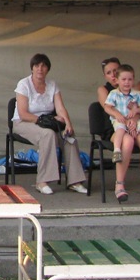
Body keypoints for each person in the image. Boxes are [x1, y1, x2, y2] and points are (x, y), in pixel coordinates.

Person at [12, 53, 88, 196]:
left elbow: (60, 108)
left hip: (47, 122)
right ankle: (42, 181)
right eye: (37, 66)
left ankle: (74, 181)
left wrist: (68, 124)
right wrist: (43, 120)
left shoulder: (52, 85)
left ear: (48, 69)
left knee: (68, 137)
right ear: (32, 68)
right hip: (24, 122)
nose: (40, 69)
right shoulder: (24, 84)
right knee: (48, 134)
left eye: (43, 66)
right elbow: (23, 113)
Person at [103, 64, 140, 202]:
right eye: (123, 79)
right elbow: (108, 108)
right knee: (128, 142)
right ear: (117, 80)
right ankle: (119, 184)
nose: (127, 82)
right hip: (118, 128)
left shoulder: (135, 94)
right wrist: (119, 115)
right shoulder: (112, 94)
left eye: (129, 79)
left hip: (133, 125)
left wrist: (134, 118)